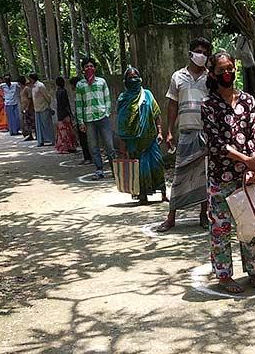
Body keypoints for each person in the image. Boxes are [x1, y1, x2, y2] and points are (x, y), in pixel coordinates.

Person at [201, 51, 255, 294]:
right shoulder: (208, 105)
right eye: (221, 71)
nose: (227, 74)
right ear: (212, 74)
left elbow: (254, 136)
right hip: (221, 177)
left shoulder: (248, 101)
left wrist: (254, 166)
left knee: (251, 224)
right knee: (221, 228)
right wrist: (246, 161)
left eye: (230, 69)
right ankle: (224, 276)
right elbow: (217, 145)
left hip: (247, 176)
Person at [157, 37, 212, 232]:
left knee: (204, 176)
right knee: (179, 175)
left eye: (205, 53)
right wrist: (169, 130)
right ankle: (171, 217)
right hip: (186, 132)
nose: (202, 56)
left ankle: (204, 215)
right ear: (190, 53)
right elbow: (172, 104)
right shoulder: (177, 77)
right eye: (199, 51)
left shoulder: (210, 77)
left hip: (206, 133)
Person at [117, 67, 168, 204]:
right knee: (139, 169)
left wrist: (160, 132)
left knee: (157, 164)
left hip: (150, 138)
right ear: (126, 81)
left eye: (135, 77)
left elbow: (156, 113)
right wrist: (123, 146)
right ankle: (142, 196)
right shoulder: (123, 99)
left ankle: (163, 193)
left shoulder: (147, 94)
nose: (133, 80)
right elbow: (121, 122)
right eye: (130, 78)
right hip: (134, 142)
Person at [75, 58, 116, 180]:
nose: (89, 68)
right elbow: (79, 104)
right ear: (83, 69)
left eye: (91, 66)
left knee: (109, 145)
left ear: (95, 68)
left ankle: (115, 170)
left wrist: (107, 112)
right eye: (86, 66)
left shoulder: (101, 82)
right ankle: (99, 169)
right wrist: (81, 122)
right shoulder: (80, 85)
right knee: (93, 146)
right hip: (89, 120)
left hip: (103, 118)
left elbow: (107, 99)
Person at [69, 76, 92, 165]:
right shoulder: (78, 94)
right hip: (80, 119)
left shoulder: (82, 94)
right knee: (83, 140)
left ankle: (89, 157)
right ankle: (87, 157)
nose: (71, 87)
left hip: (84, 119)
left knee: (85, 139)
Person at [28, 73, 54, 146]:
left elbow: (47, 96)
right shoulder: (33, 87)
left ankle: (51, 139)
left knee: (47, 125)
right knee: (39, 127)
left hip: (43, 108)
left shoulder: (40, 86)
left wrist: (48, 105)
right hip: (37, 109)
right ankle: (41, 141)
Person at [55, 76, 77, 154]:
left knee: (62, 131)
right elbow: (66, 104)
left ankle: (63, 147)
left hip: (60, 113)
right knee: (67, 131)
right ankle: (69, 146)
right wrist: (70, 113)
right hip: (64, 113)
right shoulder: (63, 91)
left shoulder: (57, 91)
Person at [18, 76, 35, 141]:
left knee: (31, 122)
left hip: (29, 108)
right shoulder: (21, 90)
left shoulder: (27, 89)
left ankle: (34, 134)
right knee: (26, 123)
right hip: (24, 108)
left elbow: (30, 98)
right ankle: (29, 135)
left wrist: (28, 107)